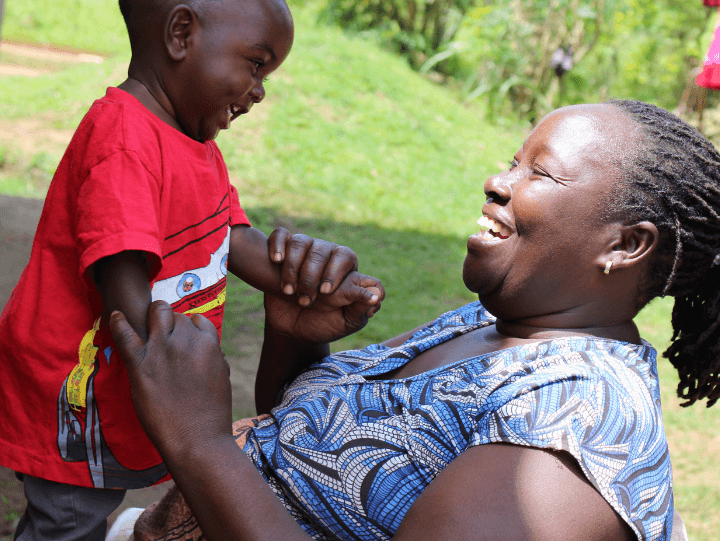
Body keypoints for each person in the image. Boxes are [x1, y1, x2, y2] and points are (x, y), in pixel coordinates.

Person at [109, 100, 720, 541]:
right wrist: (293, 343)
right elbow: (319, 453)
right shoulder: (494, 325)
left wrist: (201, 445)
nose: (497, 182)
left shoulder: (574, 427)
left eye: (541, 173)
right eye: (513, 161)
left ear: (626, 245)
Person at [0, 0, 384, 541]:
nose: (260, 90)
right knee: (65, 524)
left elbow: (233, 239)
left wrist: (310, 274)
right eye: (255, 64)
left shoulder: (194, 145)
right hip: (79, 397)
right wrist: (185, 407)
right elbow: (122, 285)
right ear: (181, 35)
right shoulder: (124, 140)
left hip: (130, 389)